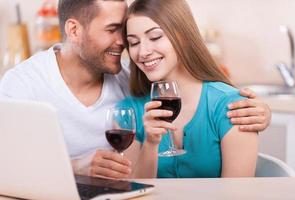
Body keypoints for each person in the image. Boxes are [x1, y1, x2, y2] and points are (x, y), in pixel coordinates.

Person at [0, 0, 269, 179]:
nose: (128, 47)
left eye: (153, 37)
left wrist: (261, 112)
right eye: (116, 31)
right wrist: (72, 168)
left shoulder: (129, 78)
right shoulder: (22, 86)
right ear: (74, 30)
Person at [120, 0, 259, 178]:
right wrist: (150, 144)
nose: (143, 52)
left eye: (155, 37)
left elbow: (238, 194)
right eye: (133, 43)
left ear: (183, 36)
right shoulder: (131, 111)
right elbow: (132, 192)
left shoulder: (233, 107)